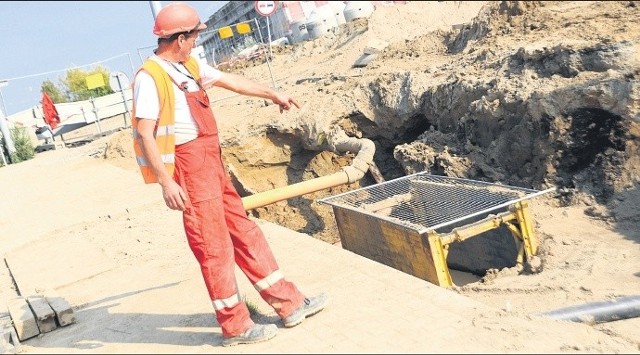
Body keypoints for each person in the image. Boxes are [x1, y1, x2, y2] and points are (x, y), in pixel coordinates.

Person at [131, 2, 327, 347]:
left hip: (211, 163)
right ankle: (235, 326)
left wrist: (273, 94)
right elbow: (145, 133)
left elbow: (230, 80)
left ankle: (290, 303)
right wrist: (166, 182)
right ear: (178, 39)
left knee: (245, 232)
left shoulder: (187, 66)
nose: (195, 42)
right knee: (214, 247)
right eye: (193, 36)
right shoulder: (151, 77)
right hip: (190, 168)